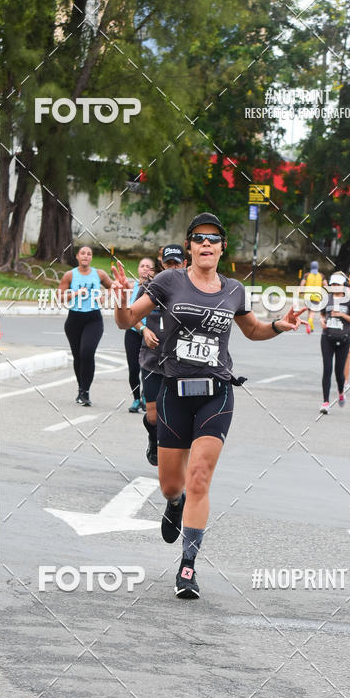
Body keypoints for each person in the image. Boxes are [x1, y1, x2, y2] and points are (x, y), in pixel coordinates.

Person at [112, 212, 305, 600]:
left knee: (200, 475)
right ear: (189, 247)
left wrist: (278, 326)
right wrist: (119, 301)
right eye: (198, 238)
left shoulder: (233, 289)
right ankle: (175, 503)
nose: (206, 244)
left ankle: (188, 566)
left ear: (221, 248)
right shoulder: (169, 281)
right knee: (171, 485)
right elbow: (127, 320)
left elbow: (252, 330)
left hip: (217, 392)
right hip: (173, 392)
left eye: (213, 239)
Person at [139, 244, 186, 465]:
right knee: (152, 415)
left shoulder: (192, 289)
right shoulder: (149, 287)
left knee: (175, 415)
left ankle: (172, 457)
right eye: (169, 263)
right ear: (162, 264)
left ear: (185, 263)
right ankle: (152, 436)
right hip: (152, 359)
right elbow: (132, 315)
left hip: (180, 363)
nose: (173, 267)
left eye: (177, 263)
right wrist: (144, 329)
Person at [57, 246, 112, 405]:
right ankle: (81, 389)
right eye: (83, 253)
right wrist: (75, 293)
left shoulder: (99, 274)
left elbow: (115, 287)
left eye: (89, 254)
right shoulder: (70, 275)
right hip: (74, 320)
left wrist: (105, 296)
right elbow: (59, 296)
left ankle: (86, 392)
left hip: (93, 319)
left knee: (87, 353)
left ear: (91, 257)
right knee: (78, 356)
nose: (85, 256)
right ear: (77, 256)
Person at [319, 272, 350, 413]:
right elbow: (322, 313)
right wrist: (322, 321)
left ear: (343, 286)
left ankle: (341, 392)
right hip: (327, 337)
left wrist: (342, 315)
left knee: (339, 372)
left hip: (344, 339)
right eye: (333, 284)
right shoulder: (327, 299)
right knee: (327, 369)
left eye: (338, 284)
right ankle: (325, 402)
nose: (335, 287)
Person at [124, 257, 155, 413]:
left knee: (146, 368)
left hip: (150, 334)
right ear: (138, 269)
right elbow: (128, 312)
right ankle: (136, 398)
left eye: (148, 266)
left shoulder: (156, 288)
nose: (145, 269)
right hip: (133, 332)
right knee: (133, 368)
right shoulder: (131, 287)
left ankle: (145, 397)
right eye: (142, 266)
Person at [300, 260, 326, 331]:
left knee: (309, 310)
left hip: (307, 296)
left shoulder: (307, 275)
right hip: (316, 296)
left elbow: (302, 284)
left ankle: (309, 326)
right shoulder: (321, 276)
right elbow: (326, 285)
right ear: (318, 267)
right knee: (312, 311)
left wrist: (301, 292)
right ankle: (310, 322)